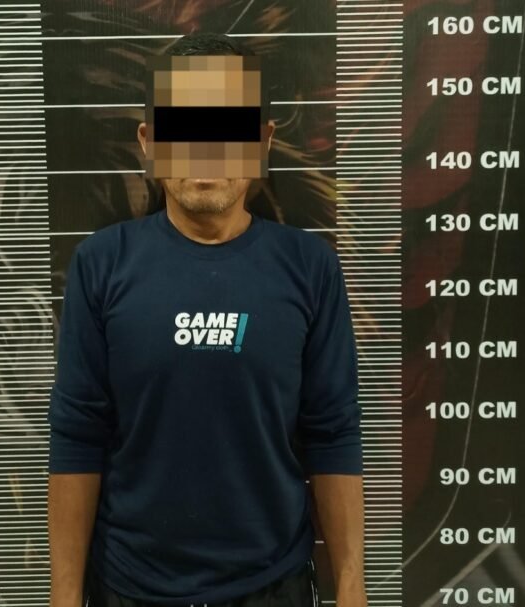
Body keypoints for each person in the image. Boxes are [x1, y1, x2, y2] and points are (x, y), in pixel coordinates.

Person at [48, 32, 366, 607]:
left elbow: (333, 433)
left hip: (273, 586)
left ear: (262, 140)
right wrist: (63, 598)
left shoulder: (311, 267)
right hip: (130, 587)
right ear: (149, 141)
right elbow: (77, 436)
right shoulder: (101, 264)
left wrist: (352, 589)